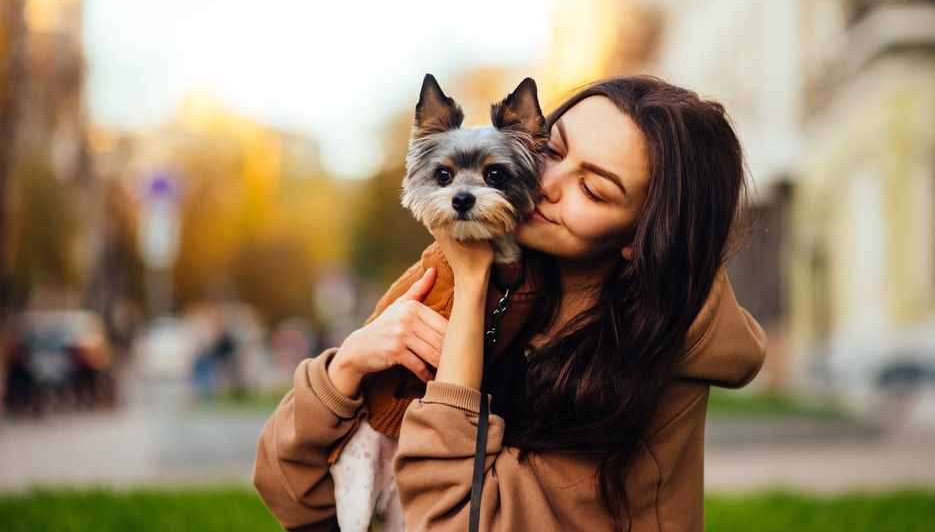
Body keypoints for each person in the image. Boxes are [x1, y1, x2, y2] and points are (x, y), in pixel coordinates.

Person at [253, 75, 768, 532]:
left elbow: (449, 521)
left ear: (644, 235)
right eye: (552, 150)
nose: (544, 185)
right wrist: (346, 367)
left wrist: (473, 287)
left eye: (592, 189)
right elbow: (288, 492)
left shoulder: (627, 371)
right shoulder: (511, 280)